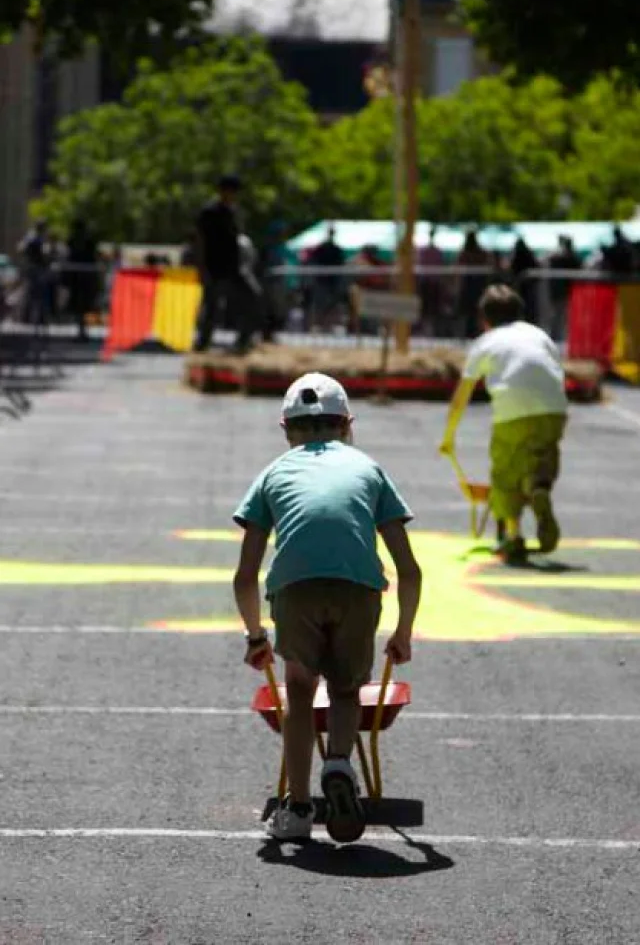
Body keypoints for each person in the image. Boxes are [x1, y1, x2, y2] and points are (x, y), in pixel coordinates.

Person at [233, 373, 422, 843]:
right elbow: (410, 569)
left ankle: (297, 811)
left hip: (295, 589)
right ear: (347, 424)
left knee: (298, 693)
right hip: (358, 589)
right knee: (345, 688)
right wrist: (403, 632)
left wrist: (256, 634)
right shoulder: (368, 469)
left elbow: (244, 575)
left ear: (285, 429)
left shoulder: (273, 473)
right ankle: (339, 763)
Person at [439, 284, 568, 566]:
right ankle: (538, 485)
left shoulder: (486, 342)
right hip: (554, 407)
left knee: (505, 474)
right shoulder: (538, 334)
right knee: (541, 456)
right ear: (520, 312)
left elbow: (461, 396)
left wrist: (449, 437)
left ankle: (513, 536)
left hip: (512, 410)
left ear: (484, 319)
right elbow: (556, 370)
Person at [192, 175, 260, 353]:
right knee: (212, 308)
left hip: (235, 267)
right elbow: (200, 241)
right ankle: (202, 344)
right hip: (215, 268)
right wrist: (201, 268)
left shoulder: (233, 212)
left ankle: (243, 341)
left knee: (252, 298)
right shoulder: (209, 212)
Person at [65, 218, 99, 341]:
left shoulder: (84, 241)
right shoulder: (75, 241)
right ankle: (82, 331)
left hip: (82, 278)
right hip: (80, 278)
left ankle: (82, 331)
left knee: (82, 306)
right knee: (82, 306)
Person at [308, 225, 346, 330]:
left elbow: (341, 264)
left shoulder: (337, 249)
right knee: (320, 304)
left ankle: (328, 325)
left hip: (333, 282)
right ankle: (317, 324)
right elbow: (313, 261)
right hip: (322, 282)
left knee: (332, 304)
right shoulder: (321, 248)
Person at [455, 230, 489, 339]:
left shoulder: (466, 252)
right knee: (473, 311)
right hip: (475, 285)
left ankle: (471, 333)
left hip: (471, 285)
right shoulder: (479, 252)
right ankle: (472, 333)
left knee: (471, 312)